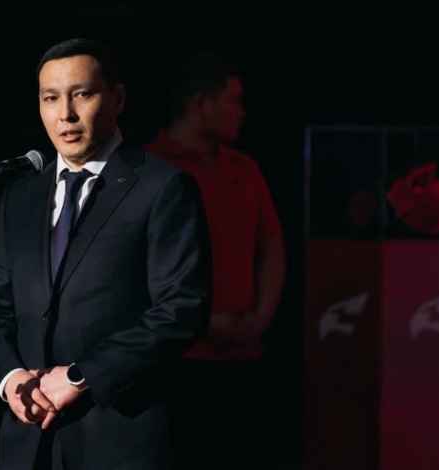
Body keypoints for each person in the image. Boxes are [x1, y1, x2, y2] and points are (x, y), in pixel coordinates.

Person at [0, 38, 212, 470]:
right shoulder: (20, 197)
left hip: (120, 437)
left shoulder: (161, 188)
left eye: (82, 94)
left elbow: (182, 309)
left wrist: (82, 376)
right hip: (29, 439)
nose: (65, 113)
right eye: (50, 98)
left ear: (118, 99)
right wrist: (11, 380)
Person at [145, 52, 285, 469]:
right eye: (233, 100)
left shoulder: (244, 167)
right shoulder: (149, 167)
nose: (242, 112)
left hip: (244, 356)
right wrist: (201, 324)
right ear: (201, 103)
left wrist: (261, 316)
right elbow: (130, 269)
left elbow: (271, 246)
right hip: (179, 362)